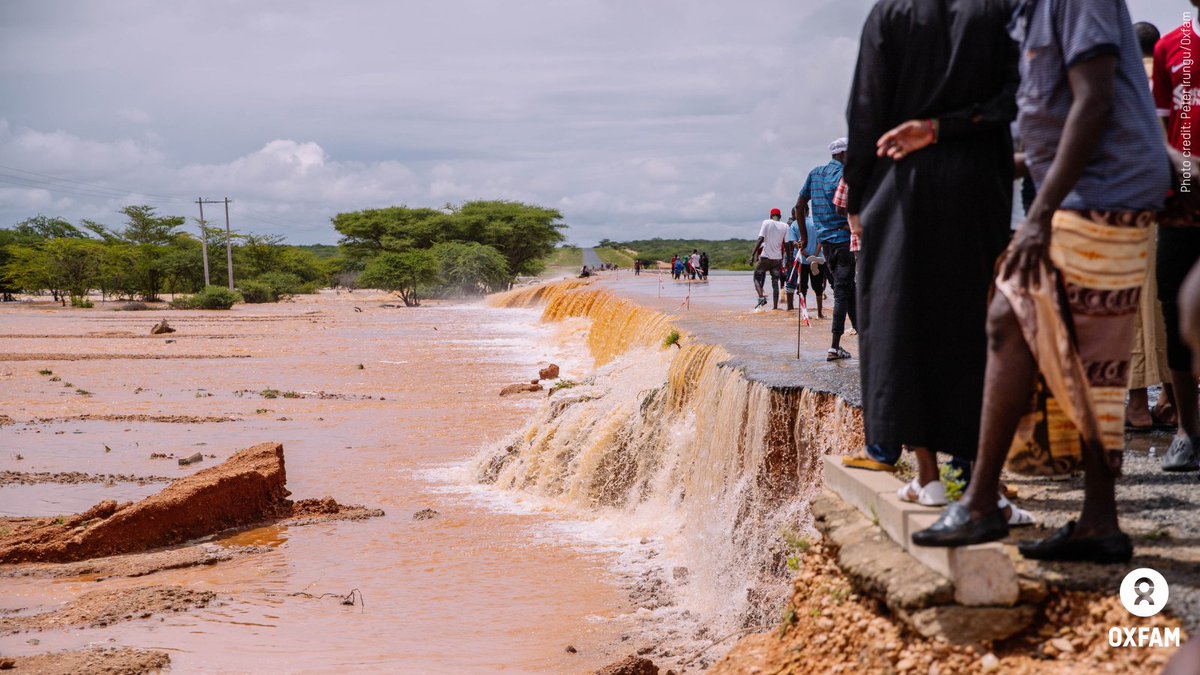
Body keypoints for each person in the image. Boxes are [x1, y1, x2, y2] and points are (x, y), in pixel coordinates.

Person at [913, 0, 1172, 563]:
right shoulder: (1027, 12)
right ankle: (1096, 521)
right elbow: (1051, 128)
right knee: (1077, 351)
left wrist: (1038, 217)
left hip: (1106, 192)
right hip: (1088, 191)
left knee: (1023, 322)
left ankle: (985, 503)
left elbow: (1095, 101)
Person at [838, 0, 1018, 507]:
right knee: (973, 321)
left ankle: (928, 477)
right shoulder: (998, 10)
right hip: (980, 180)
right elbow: (1013, 98)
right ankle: (980, 478)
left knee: (900, 321)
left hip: (900, 183)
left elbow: (864, 108)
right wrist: (949, 127)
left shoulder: (890, 13)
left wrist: (856, 193)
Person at [1154, 8, 1200, 471]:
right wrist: (1187, 183)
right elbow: (1158, 131)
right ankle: (1188, 430)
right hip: (1183, 212)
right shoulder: (1173, 47)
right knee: (1175, 316)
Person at [1127, 20, 1178, 431]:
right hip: (1173, 200)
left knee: (1135, 305)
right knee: (1168, 302)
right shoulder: (1171, 71)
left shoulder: (1122, 78)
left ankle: (1138, 405)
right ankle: (1171, 403)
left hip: (1129, 201)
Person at [796, 139, 855, 360]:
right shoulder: (845, 176)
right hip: (844, 241)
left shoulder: (815, 173)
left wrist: (803, 237)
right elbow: (845, 208)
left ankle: (863, 335)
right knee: (842, 293)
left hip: (826, 246)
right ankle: (834, 347)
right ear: (845, 155)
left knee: (850, 290)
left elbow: (799, 206)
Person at [752, 208, 788, 310]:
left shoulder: (766, 223)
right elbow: (787, 244)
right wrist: (788, 260)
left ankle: (761, 298)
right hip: (777, 260)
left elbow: (760, 239)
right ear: (780, 216)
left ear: (770, 216)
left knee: (756, 277)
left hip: (765, 258)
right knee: (775, 282)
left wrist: (752, 255)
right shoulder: (785, 226)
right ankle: (775, 307)